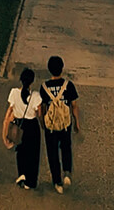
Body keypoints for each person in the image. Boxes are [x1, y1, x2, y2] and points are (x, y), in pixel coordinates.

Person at [38, 55, 79, 194]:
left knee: (52, 153)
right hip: (65, 124)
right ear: (62, 68)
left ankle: (57, 182)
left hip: (50, 126)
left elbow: (42, 107)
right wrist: (76, 123)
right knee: (66, 147)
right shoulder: (68, 85)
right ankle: (67, 172)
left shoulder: (44, 87)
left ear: (49, 70)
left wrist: (42, 121)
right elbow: (74, 106)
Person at [2, 67, 42, 189]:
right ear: (32, 81)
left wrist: (5, 126)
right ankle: (30, 182)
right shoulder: (36, 96)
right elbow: (39, 114)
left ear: (21, 80)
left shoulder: (14, 93)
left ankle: (22, 173)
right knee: (33, 154)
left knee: (21, 151)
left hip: (19, 125)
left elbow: (10, 110)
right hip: (32, 127)